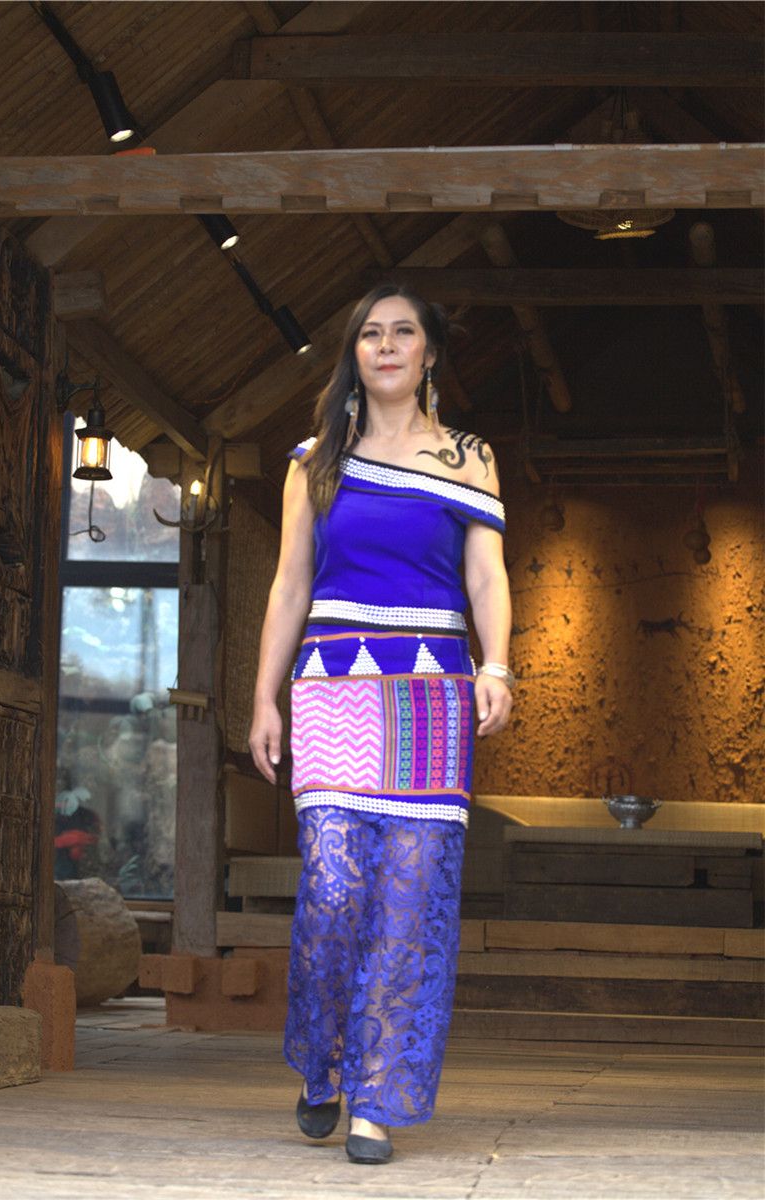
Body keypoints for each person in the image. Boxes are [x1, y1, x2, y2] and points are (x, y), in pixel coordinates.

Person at [249, 284, 513, 1164]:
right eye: (371, 333)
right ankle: (321, 1062)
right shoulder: (314, 461)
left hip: (434, 695)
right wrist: (264, 697)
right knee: (334, 890)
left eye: (404, 333)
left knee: (410, 900)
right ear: (353, 352)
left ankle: (376, 1099)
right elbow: (290, 583)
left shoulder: (468, 458)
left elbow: (487, 576)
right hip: (332, 687)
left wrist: (497, 664)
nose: (388, 345)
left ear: (430, 352)